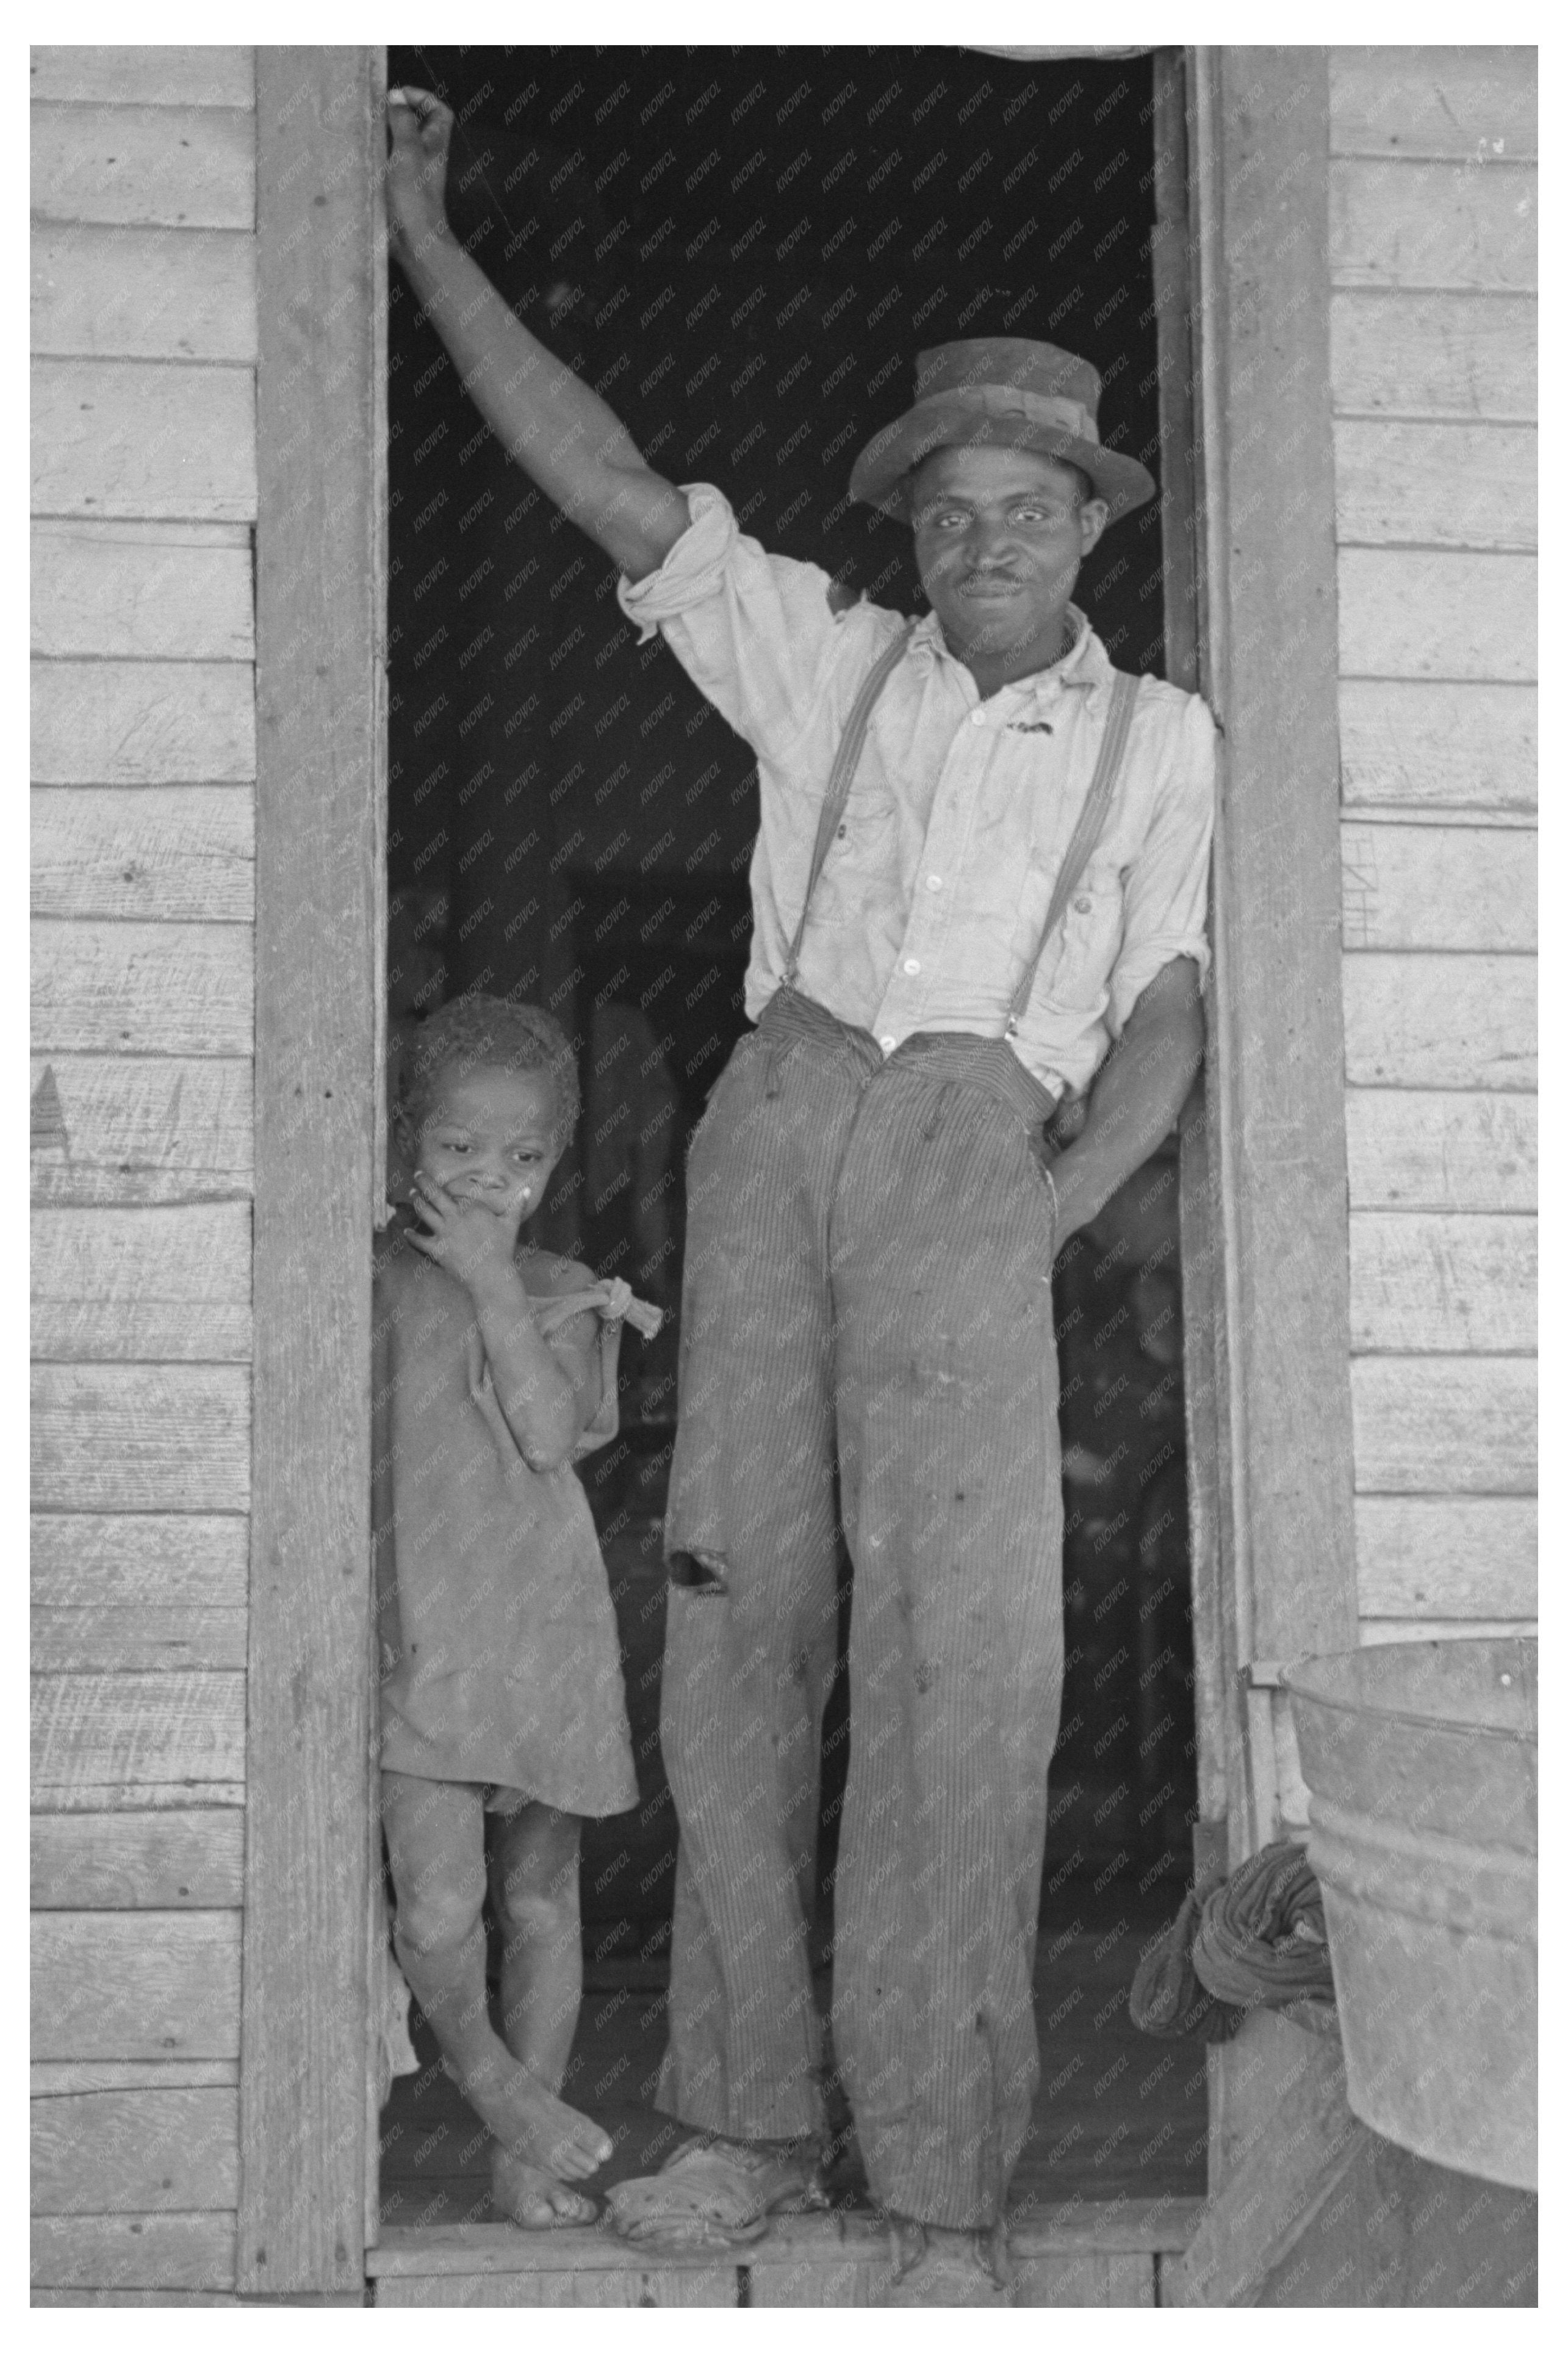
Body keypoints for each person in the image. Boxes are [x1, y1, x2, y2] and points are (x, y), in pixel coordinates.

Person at [386, 88, 1215, 2302]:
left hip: (984, 1158)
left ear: (1084, 527)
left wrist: (1052, 1208)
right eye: (950, 513)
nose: (984, 546)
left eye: (1024, 510)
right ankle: (749, 2123)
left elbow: (1166, 1010)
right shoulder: (827, 658)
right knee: (740, 1634)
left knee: (974, 1677)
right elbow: (606, 483)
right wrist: (418, 229)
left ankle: (945, 2186)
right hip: (778, 1129)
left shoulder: (1164, 745)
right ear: (914, 528)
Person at [373, 993, 660, 2227]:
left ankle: (523, 2154)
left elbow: (548, 1434)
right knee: (438, 1900)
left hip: (541, 1631)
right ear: (403, 1142)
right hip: (415, 1628)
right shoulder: (360, 1280)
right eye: (457, 1150)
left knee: (541, 1899)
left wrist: (497, 1282)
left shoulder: (557, 1292)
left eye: (523, 1156)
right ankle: (492, 2082)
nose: (489, 1177)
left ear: (555, 1162)